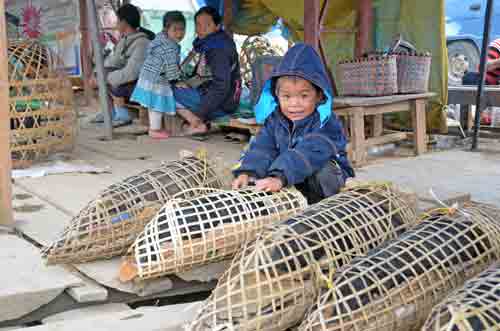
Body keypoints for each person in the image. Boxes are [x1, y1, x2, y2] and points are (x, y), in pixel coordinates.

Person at [232, 43, 354, 204]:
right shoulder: (275, 119)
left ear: (319, 95)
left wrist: (279, 177)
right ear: (276, 95)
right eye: (287, 96)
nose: (294, 104)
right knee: (257, 157)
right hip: (289, 176)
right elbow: (263, 147)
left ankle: (325, 210)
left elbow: (308, 152)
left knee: (323, 171)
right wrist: (248, 172)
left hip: (324, 185)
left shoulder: (327, 123)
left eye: (304, 96)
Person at [173, 6, 241, 136]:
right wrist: (187, 84)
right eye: (198, 24)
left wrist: (201, 113)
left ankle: (196, 123)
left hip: (222, 105)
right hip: (218, 97)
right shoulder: (211, 42)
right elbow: (204, 76)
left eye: (207, 25)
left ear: (217, 26)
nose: (201, 29)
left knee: (164, 91)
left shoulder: (217, 49)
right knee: (171, 87)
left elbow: (221, 86)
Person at [90, 4, 150, 128]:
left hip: (140, 86)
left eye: (118, 20)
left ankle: (123, 114)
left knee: (106, 78)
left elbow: (132, 73)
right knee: (100, 73)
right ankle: (109, 111)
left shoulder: (142, 43)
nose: (116, 23)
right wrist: (98, 73)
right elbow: (114, 62)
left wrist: (105, 78)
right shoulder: (124, 40)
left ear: (124, 22)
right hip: (128, 82)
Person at [130, 11, 186, 139]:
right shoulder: (169, 47)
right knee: (157, 104)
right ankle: (155, 130)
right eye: (175, 29)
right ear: (166, 29)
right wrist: (177, 81)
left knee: (153, 104)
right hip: (157, 79)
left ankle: (155, 128)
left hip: (148, 76)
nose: (179, 33)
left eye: (182, 29)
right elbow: (171, 69)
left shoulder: (160, 39)